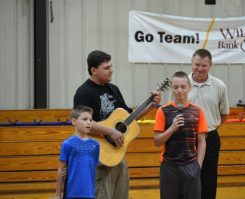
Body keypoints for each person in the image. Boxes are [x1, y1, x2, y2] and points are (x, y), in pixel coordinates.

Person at [73, 50, 161, 199]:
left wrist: (151, 106)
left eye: (111, 67)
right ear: (93, 70)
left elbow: (129, 118)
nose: (111, 70)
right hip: (96, 157)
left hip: (117, 155)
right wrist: (110, 132)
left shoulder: (113, 89)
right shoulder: (84, 92)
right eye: (106, 68)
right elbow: (82, 123)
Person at [154, 71, 208, 199]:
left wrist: (198, 165)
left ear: (189, 87)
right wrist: (172, 128)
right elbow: (157, 141)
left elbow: (201, 141)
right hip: (169, 167)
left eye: (183, 87)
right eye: (175, 87)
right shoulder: (162, 111)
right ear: (171, 88)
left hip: (190, 165)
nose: (179, 90)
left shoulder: (198, 111)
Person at [188, 49, 230, 199]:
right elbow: (171, 111)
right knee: (188, 177)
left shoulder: (219, 85)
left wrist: (210, 127)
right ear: (191, 63)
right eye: (197, 64)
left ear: (210, 65)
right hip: (186, 139)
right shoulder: (181, 85)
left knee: (209, 178)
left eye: (204, 65)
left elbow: (224, 114)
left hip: (210, 138)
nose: (200, 68)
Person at [55, 105, 100, 199]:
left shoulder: (96, 145)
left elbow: (93, 171)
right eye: (84, 119)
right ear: (74, 121)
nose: (89, 122)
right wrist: (57, 195)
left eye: (90, 120)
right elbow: (61, 170)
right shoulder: (67, 144)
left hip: (90, 194)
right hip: (71, 194)